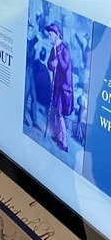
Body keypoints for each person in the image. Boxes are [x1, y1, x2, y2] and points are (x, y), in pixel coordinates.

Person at [45, 21, 74, 152]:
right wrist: (52, 63)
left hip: (64, 88)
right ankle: (60, 136)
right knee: (57, 111)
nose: (49, 37)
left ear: (57, 35)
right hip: (57, 86)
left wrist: (57, 60)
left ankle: (65, 143)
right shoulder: (54, 49)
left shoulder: (64, 50)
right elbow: (49, 65)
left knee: (61, 114)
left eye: (51, 35)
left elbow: (65, 66)